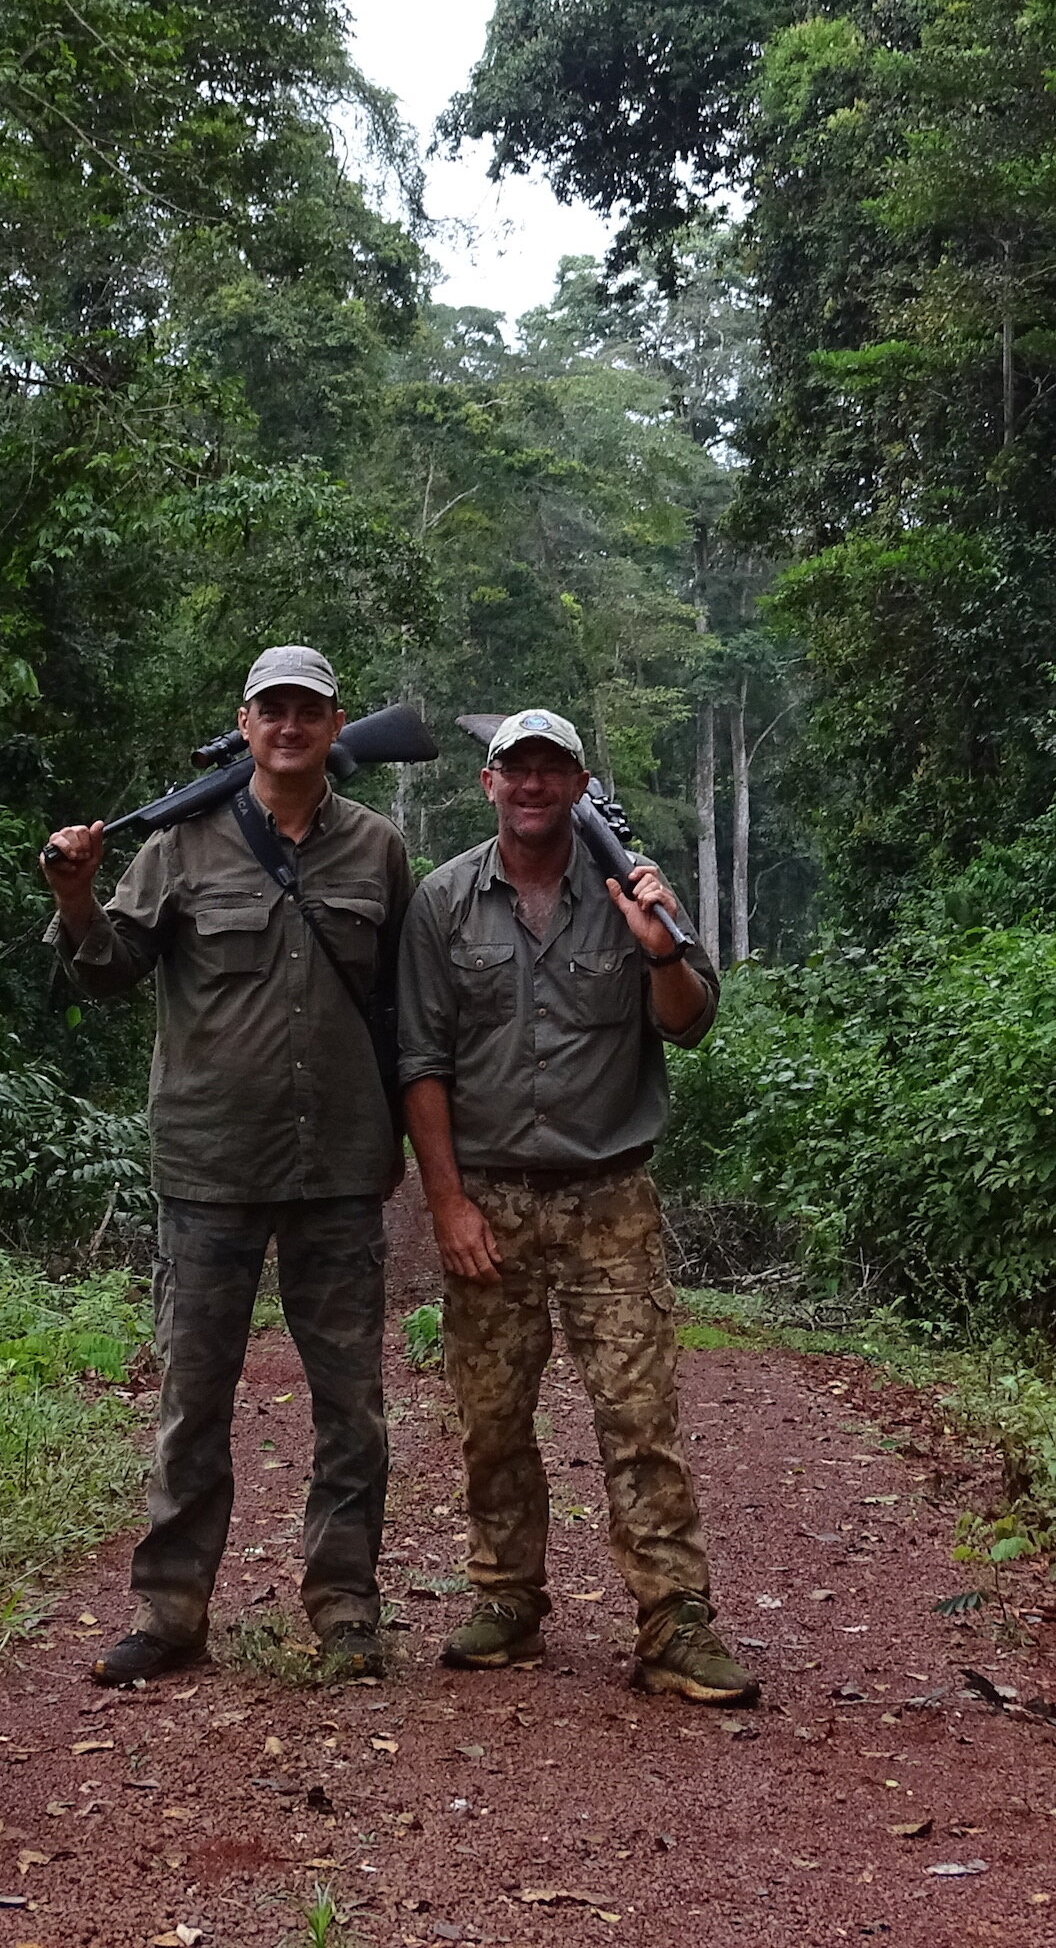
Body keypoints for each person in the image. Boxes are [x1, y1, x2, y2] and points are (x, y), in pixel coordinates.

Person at [42, 645, 414, 1688]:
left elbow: (409, 1005)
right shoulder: (176, 845)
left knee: (351, 1401)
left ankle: (345, 1607)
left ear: (337, 725)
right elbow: (110, 969)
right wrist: (76, 897)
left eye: (307, 710)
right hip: (206, 1164)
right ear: (243, 725)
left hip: (338, 1163)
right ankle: (169, 1612)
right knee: (193, 1397)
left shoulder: (378, 849)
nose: (288, 726)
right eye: (270, 710)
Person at [395, 706, 756, 1705]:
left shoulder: (634, 892)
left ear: (578, 784)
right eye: (515, 769)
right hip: (493, 1200)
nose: (531, 785)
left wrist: (656, 948)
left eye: (551, 769)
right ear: (489, 783)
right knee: (492, 1420)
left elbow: (689, 1024)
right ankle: (506, 1601)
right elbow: (419, 1061)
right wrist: (447, 1206)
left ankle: (674, 1624)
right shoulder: (444, 901)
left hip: (609, 1198)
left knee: (640, 1420)